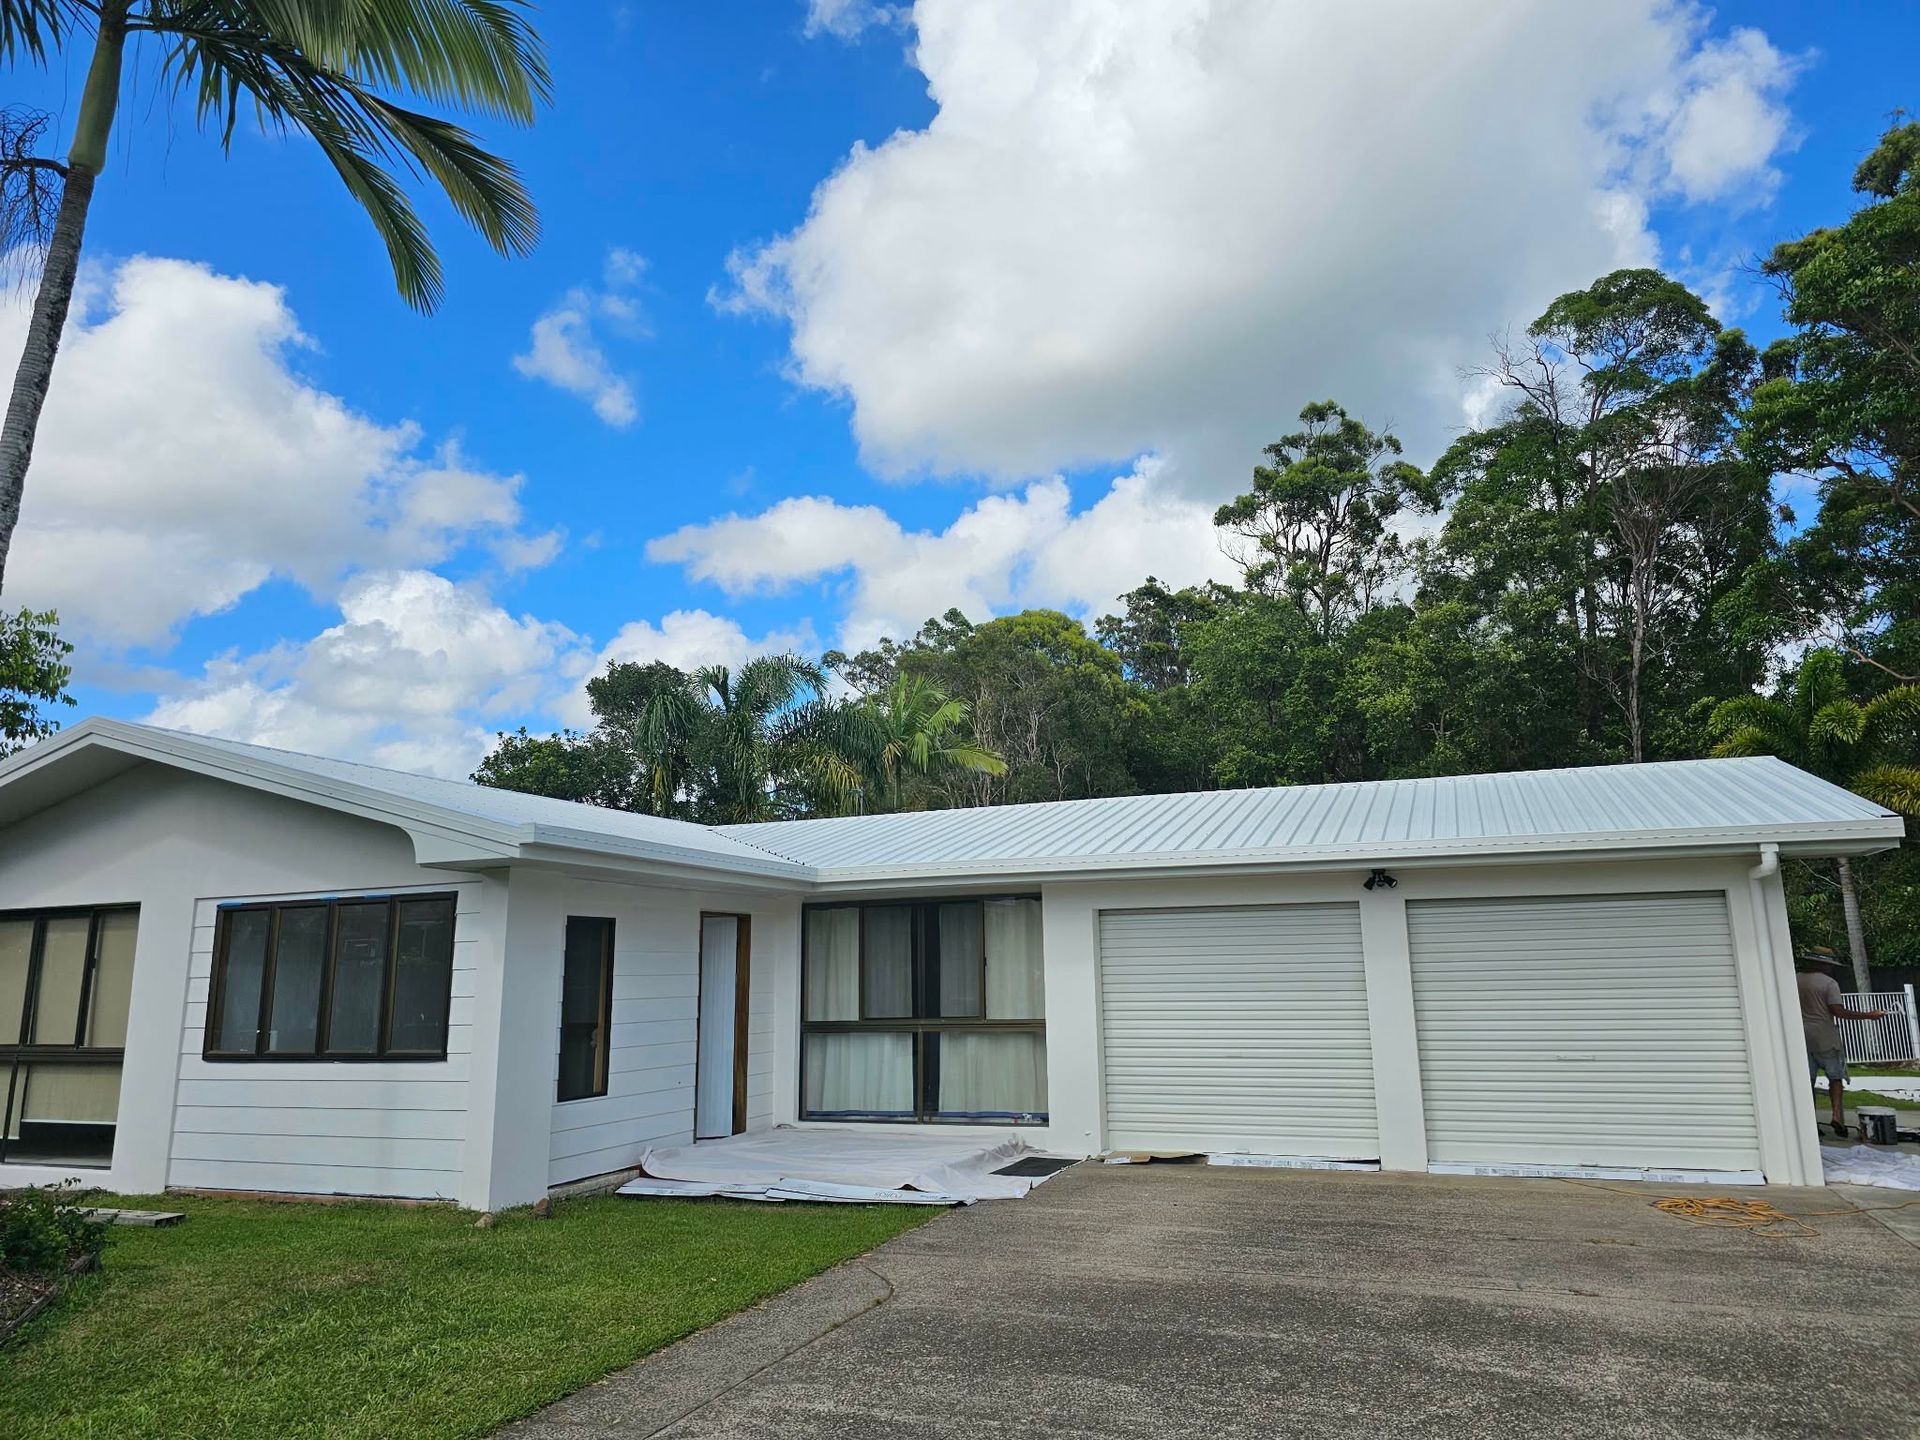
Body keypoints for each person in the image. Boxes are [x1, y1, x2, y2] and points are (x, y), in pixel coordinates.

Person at [1797, 946, 1885, 1138]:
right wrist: (1869, 1015)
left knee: (1807, 1081)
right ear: (1823, 965)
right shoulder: (1829, 983)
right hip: (1826, 1037)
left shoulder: (1795, 979)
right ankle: (1837, 1115)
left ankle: (1810, 1121)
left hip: (1800, 1037)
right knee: (1835, 1077)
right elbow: (1838, 1011)